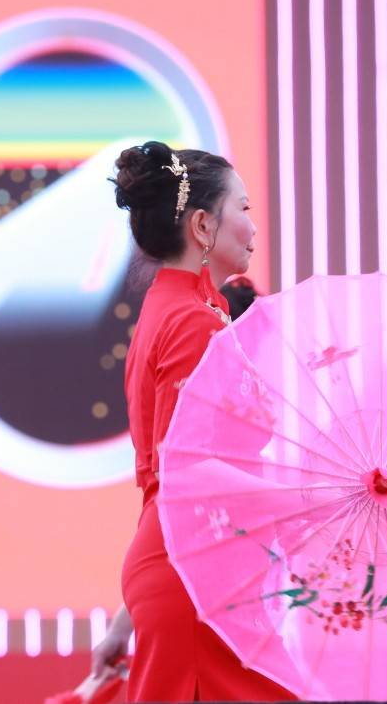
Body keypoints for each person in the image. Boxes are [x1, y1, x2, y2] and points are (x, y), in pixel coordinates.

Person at [91, 141, 293, 701]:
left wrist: (122, 622)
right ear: (203, 225)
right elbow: (187, 474)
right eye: (244, 208)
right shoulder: (191, 322)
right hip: (199, 576)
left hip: (199, 566)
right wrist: (309, 498)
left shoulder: (181, 311)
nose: (253, 225)